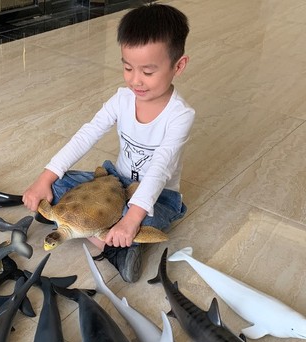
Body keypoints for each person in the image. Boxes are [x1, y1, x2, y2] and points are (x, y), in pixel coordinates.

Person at [22, 3, 195, 283]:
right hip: (113, 182)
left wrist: (132, 219)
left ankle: (111, 244)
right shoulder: (121, 98)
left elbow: (160, 168)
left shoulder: (180, 116)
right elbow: (87, 134)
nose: (135, 80)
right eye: (128, 68)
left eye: (148, 72)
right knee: (54, 186)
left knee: (144, 220)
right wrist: (46, 176)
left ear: (178, 66)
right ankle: (107, 238)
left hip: (158, 195)